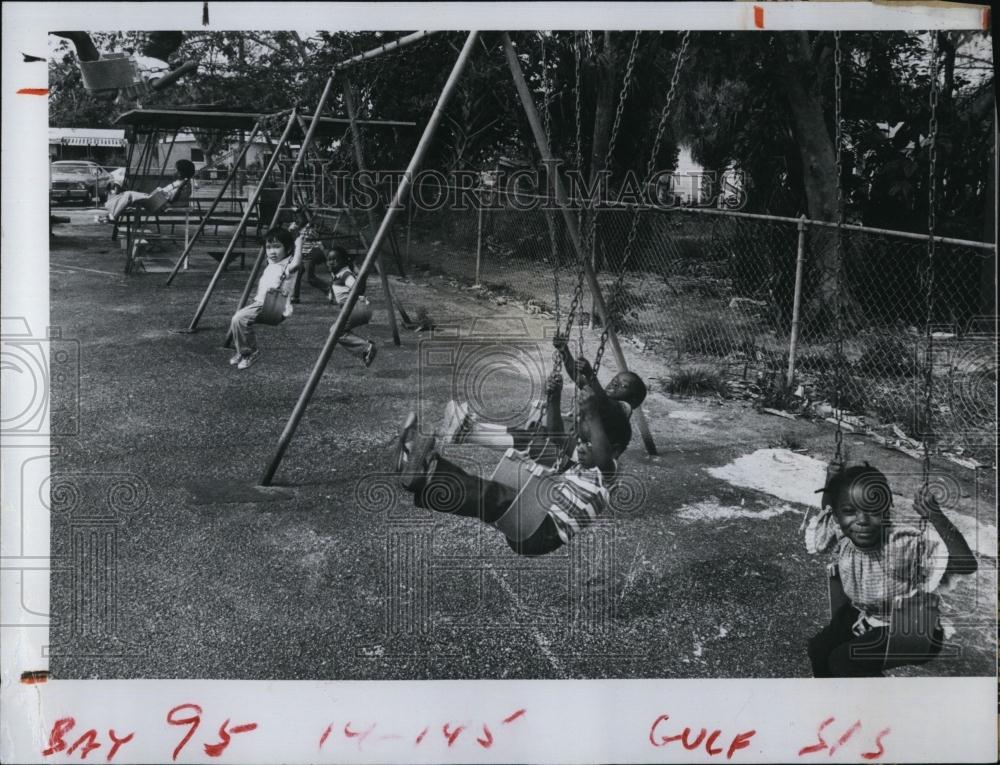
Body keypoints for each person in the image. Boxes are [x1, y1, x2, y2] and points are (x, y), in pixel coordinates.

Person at [393, 370, 631, 556]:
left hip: (541, 531)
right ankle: (425, 472)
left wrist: (590, 413)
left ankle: (425, 475)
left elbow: (602, 458)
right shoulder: (584, 462)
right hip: (533, 515)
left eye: (588, 442)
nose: (580, 445)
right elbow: (558, 439)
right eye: (580, 440)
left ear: (615, 451)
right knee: (482, 492)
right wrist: (554, 398)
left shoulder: (607, 476)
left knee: (492, 496)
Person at [804, 463, 978, 678]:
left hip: (909, 628)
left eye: (873, 511)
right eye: (849, 511)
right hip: (865, 617)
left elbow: (967, 564)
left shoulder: (901, 545)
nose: (862, 521)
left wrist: (936, 515)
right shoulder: (841, 532)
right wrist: (830, 483)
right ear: (839, 516)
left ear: (886, 511)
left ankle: (877, 707)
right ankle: (834, 703)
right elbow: (830, 509)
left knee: (845, 661)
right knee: (819, 649)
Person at [442, 333, 647, 467]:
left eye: (624, 386)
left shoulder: (620, 415)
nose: (615, 384)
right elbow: (577, 376)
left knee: (532, 442)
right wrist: (565, 351)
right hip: (570, 449)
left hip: (581, 465)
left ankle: (467, 434)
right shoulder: (599, 396)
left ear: (633, 400)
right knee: (527, 433)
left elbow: (606, 406)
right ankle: (469, 429)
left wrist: (592, 377)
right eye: (615, 380)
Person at [228, 226, 301, 370]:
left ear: (287, 249)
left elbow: (297, 262)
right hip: (261, 303)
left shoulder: (288, 267)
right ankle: (242, 351)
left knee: (239, 319)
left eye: (277, 247)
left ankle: (251, 352)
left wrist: (299, 239)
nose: (272, 251)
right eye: (268, 247)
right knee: (236, 321)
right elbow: (278, 241)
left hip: (274, 307)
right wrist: (291, 229)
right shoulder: (272, 262)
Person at [322, 246, 378, 367]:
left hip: (358, 307)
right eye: (329, 259)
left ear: (343, 261)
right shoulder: (338, 275)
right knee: (337, 331)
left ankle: (366, 347)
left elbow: (356, 287)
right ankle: (365, 349)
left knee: (336, 331)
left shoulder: (345, 274)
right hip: (358, 308)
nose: (331, 262)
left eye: (335, 259)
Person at [100, 158, 195, 223]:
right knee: (126, 193)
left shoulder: (183, 184)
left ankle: (112, 216)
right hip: (157, 199)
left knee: (128, 194)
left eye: (177, 170)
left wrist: (162, 192)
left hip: (158, 203)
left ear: (182, 172)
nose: (175, 172)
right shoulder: (181, 182)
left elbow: (173, 199)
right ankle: (111, 214)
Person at [288, 211, 328, 303]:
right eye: (296, 218)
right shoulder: (293, 227)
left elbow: (317, 241)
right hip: (299, 255)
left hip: (308, 255)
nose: (297, 220)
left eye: (299, 218)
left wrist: (325, 253)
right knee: (296, 273)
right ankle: (294, 296)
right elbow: (291, 240)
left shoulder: (309, 229)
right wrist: (291, 231)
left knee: (309, 278)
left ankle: (328, 289)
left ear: (305, 219)